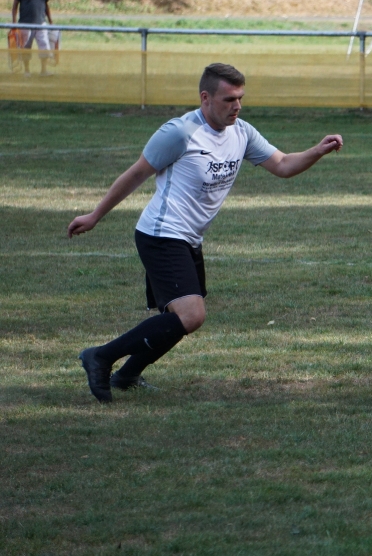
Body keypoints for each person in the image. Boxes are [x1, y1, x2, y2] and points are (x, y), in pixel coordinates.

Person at [68, 63, 344, 403]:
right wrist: (96, 215)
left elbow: (283, 165)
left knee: (177, 319)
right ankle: (100, 356)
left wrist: (318, 150)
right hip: (161, 234)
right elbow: (137, 173)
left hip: (189, 238)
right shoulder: (180, 132)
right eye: (229, 99)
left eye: (240, 98)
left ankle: (126, 375)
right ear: (205, 98)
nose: (237, 106)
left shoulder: (241, 132)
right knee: (191, 315)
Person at [11, 0, 54, 76]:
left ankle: (43, 70)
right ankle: (26, 70)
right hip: (25, 24)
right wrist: (14, 23)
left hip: (41, 23)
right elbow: (15, 5)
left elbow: (46, 5)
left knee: (44, 46)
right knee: (26, 48)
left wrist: (50, 20)